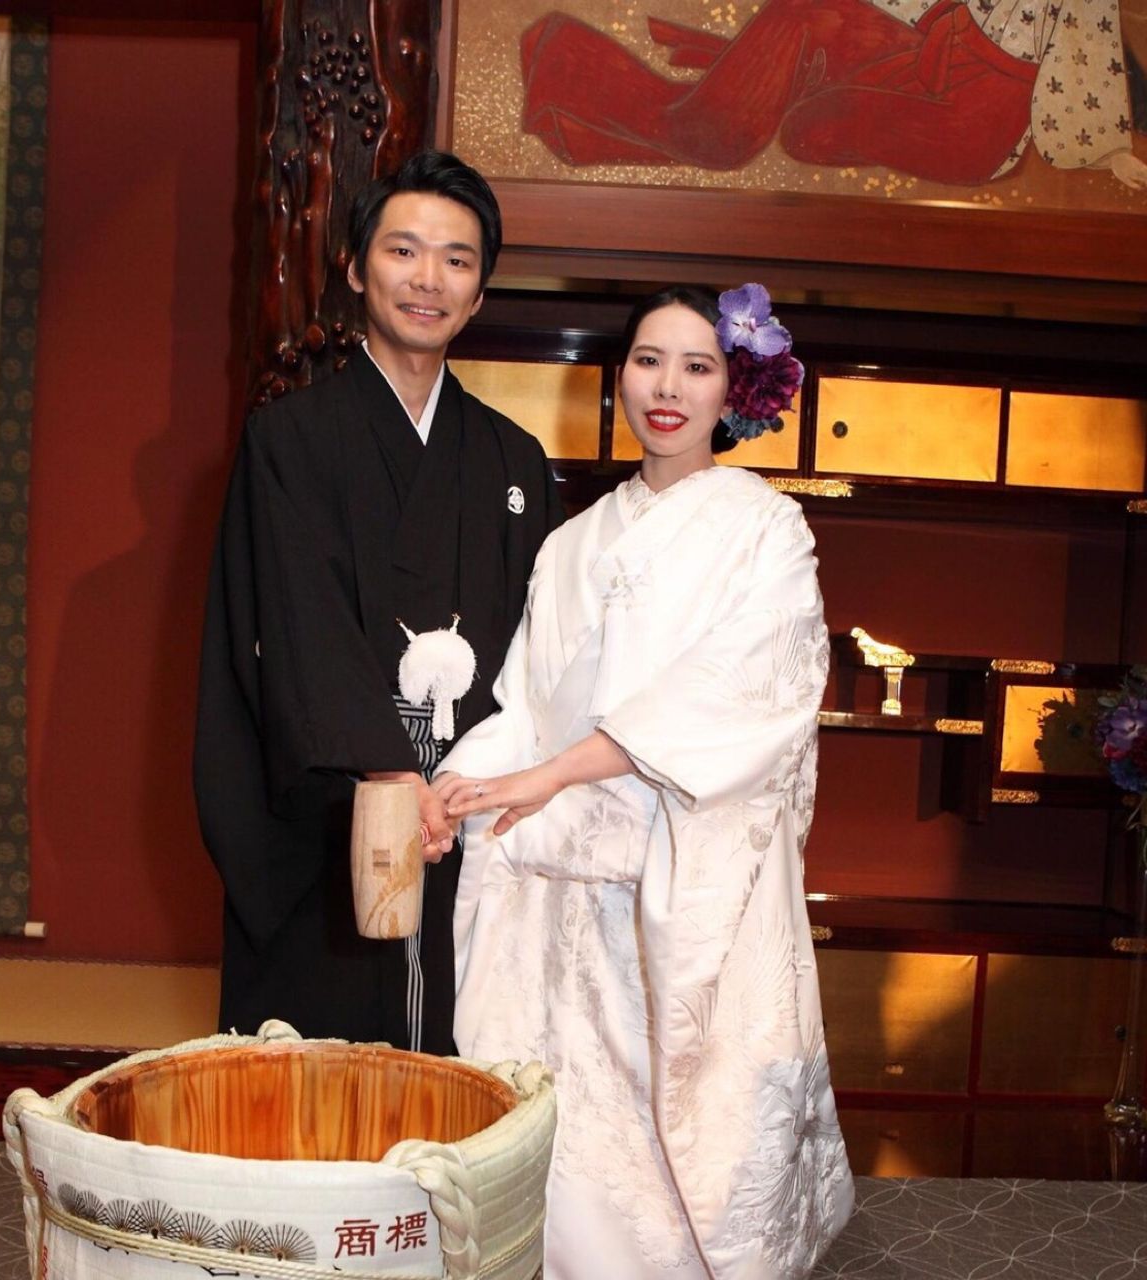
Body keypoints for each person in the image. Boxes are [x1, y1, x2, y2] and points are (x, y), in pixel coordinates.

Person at [435, 285, 853, 1278]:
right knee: (575, 1148)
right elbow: (527, 701)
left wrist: (554, 772)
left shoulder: (766, 529)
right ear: (618, 374)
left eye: (696, 367)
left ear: (734, 390)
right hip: (561, 894)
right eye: (647, 361)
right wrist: (457, 786)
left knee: (680, 1152)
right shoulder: (570, 541)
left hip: (682, 877)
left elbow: (738, 692)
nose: (666, 388)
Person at [194, 151, 564, 1053]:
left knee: (457, 1069)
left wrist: (473, 782)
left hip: (465, 818)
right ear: (357, 270)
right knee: (318, 1083)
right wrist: (391, 774)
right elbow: (292, 629)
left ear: (479, 293)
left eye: (457, 260)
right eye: (404, 251)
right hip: (330, 822)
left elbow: (539, 652)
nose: (428, 279)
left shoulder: (514, 461)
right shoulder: (289, 441)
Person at [521, 0, 1147, 189]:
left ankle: (710, 126)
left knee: (804, 129)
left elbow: (1080, 91)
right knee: (804, 16)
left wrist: (1111, 148)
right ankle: (717, 121)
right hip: (924, 46)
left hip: (973, 122)